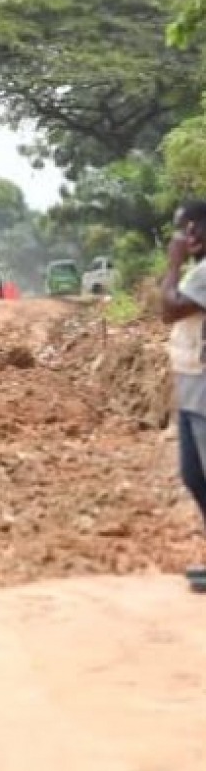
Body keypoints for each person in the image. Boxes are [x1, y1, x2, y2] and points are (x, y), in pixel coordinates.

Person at [159, 201, 206, 591]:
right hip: (192, 386)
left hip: (204, 389)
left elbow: (169, 309)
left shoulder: (203, 272)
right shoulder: (199, 271)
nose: (182, 238)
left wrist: (172, 263)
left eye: (187, 228)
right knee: (193, 475)